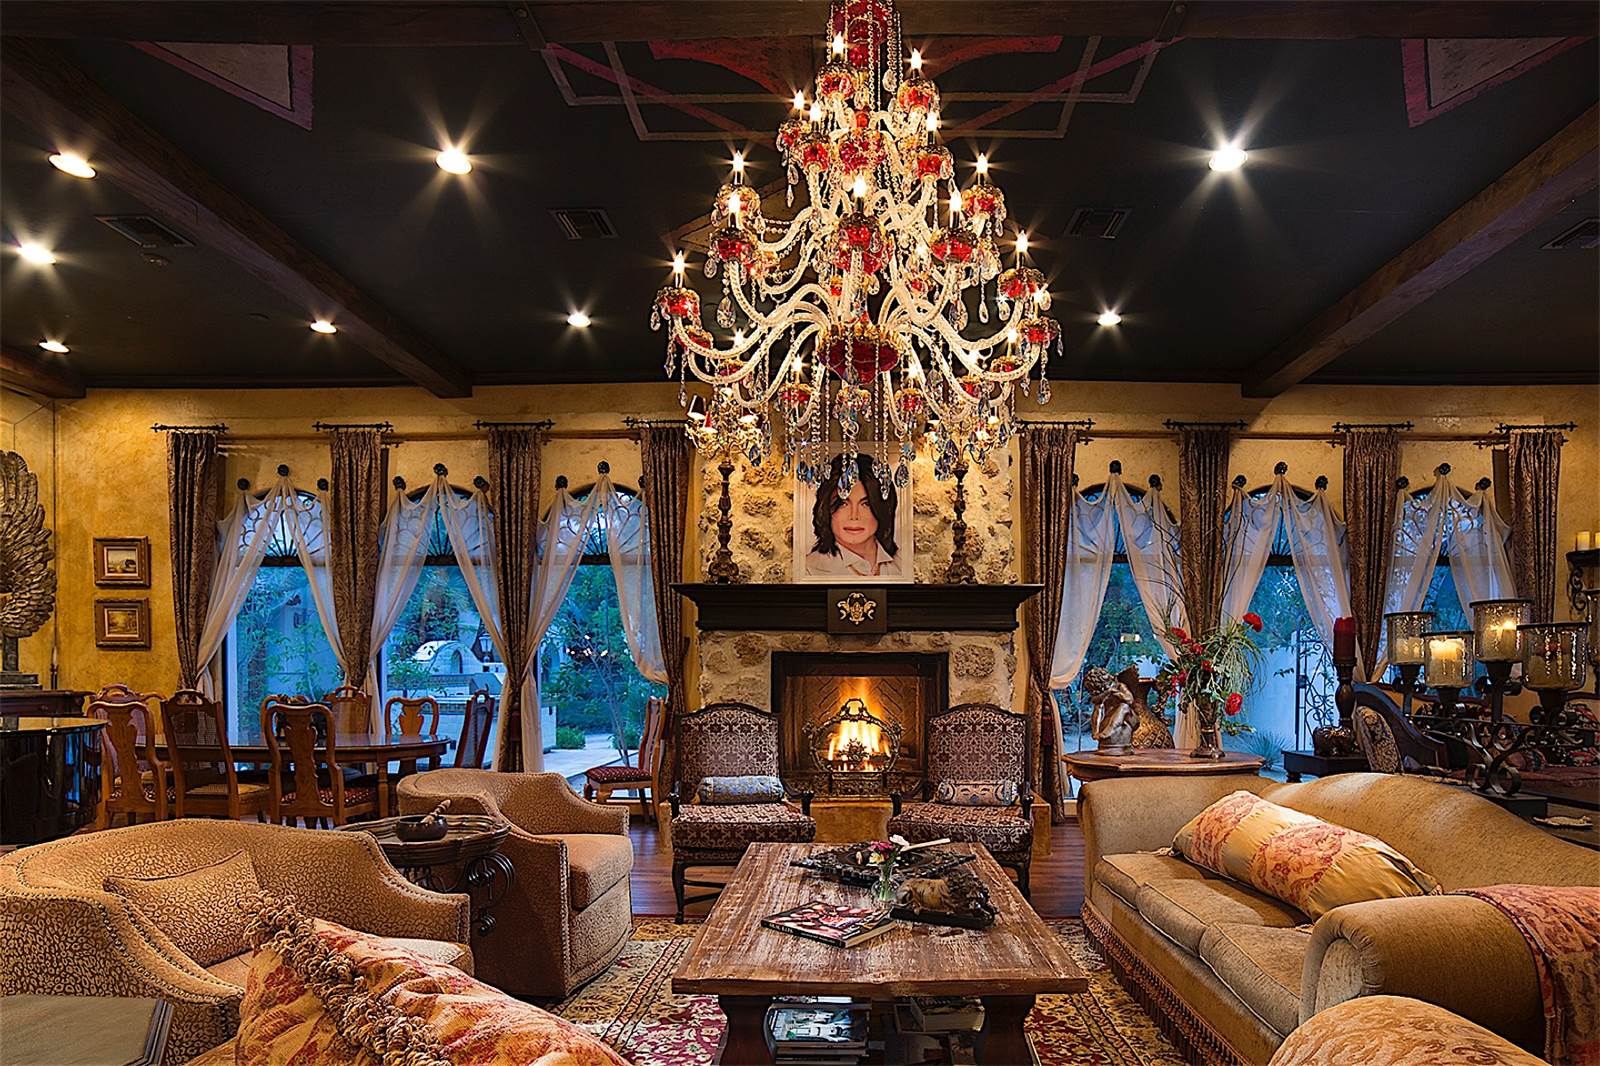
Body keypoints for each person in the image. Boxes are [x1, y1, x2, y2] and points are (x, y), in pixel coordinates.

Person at [804, 454, 903, 578]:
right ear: (825, 509)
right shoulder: (809, 569)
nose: (854, 516)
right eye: (843, 504)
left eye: (866, 504)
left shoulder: (903, 564)